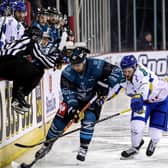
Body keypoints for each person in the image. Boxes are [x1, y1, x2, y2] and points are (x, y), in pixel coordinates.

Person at [35, 47, 125, 162]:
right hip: (75, 100)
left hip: (93, 99)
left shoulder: (97, 65)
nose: (75, 67)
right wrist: (73, 109)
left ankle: (83, 148)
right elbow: (68, 92)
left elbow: (117, 71)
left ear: (84, 61)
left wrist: (107, 83)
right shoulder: (67, 72)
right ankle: (46, 145)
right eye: (73, 65)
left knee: (89, 120)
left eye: (78, 65)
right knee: (59, 120)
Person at [108, 55, 168, 159]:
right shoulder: (123, 75)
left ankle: (153, 142)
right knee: (136, 126)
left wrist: (138, 97)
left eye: (129, 71)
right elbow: (114, 90)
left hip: (161, 101)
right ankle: (135, 147)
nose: (126, 74)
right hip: (144, 102)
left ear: (135, 68)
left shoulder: (141, 75)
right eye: (124, 71)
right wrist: (103, 98)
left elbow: (145, 88)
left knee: (156, 134)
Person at [0, 26, 63, 114]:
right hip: (10, 62)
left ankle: (17, 99)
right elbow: (42, 59)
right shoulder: (31, 42)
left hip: (3, 66)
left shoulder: (16, 41)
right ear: (35, 37)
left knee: (21, 74)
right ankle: (20, 96)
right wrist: (54, 61)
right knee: (38, 71)